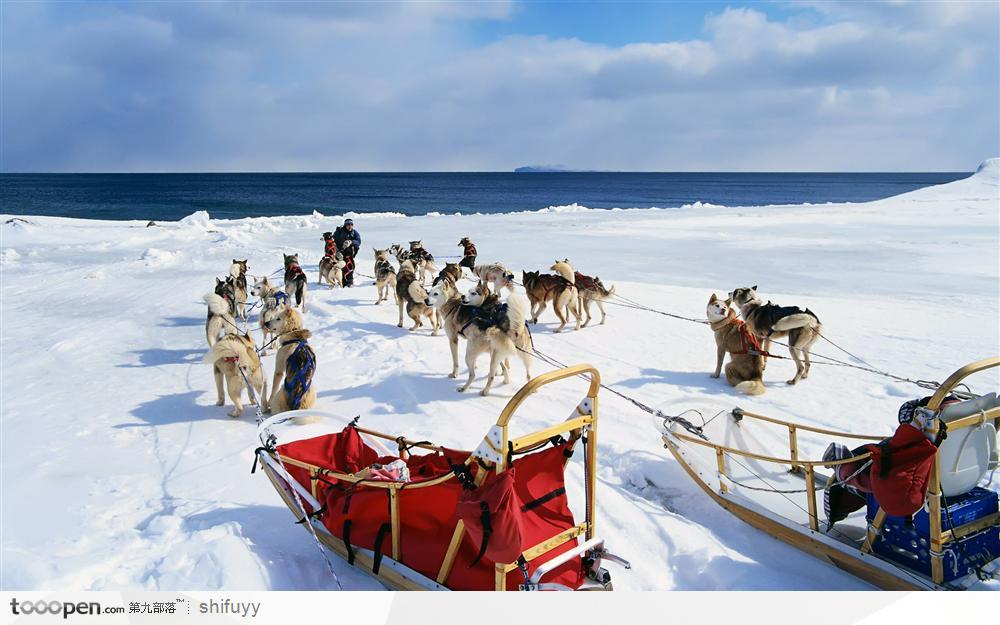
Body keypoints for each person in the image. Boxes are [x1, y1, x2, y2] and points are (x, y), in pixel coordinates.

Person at [333, 218, 361, 286]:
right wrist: (336, 251)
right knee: (342, 266)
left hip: (350, 252)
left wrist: (351, 242)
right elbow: (333, 242)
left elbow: (359, 241)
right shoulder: (338, 232)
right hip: (340, 252)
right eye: (348, 224)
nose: (350, 226)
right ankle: (343, 281)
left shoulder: (354, 233)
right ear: (345, 225)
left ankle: (349, 282)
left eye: (351, 224)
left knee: (350, 266)